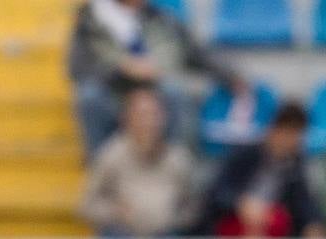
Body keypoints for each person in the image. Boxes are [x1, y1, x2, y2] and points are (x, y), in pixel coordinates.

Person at [68, 0, 240, 160]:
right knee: (90, 97)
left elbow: (198, 55)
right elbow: (77, 69)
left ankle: (174, 167)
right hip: (114, 93)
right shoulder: (90, 21)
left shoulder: (163, 18)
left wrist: (232, 76)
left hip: (157, 91)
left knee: (176, 93)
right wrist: (122, 69)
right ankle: (102, 168)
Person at [80, 86, 197, 239]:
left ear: (164, 117)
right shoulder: (111, 155)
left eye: (153, 114)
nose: (148, 121)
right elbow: (87, 205)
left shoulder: (178, 158)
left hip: (165, 236)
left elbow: (193, 206)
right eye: (141, 114)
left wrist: (173, 216)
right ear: (127, 118)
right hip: (122, 235)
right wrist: (114, 211)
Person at [199, 102, 326, 239]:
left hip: (271, 227)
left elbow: (303, 201)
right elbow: (218, 191)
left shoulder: (294, 163)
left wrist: (313, 223)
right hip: (232, 222)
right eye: (288, 133)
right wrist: (240, 203)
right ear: (274, 129)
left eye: (297, 135)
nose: (291, 141)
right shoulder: (246, 154)